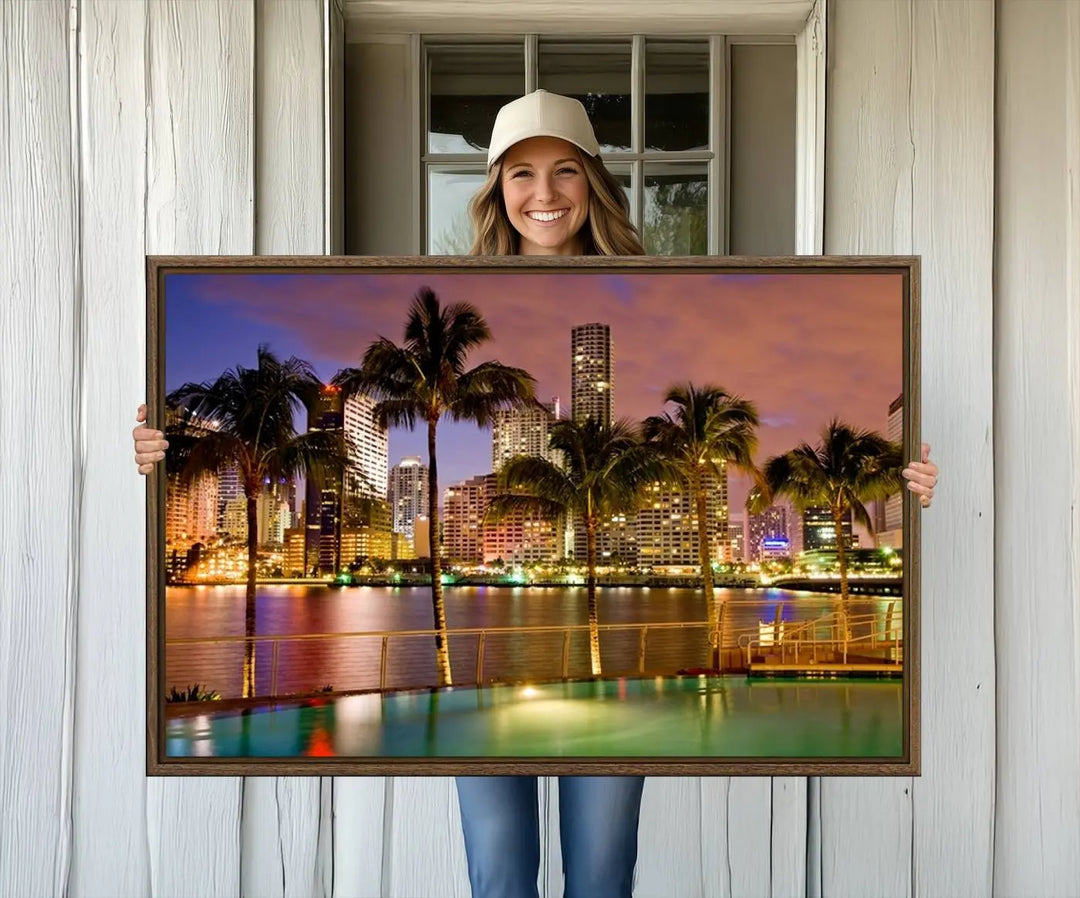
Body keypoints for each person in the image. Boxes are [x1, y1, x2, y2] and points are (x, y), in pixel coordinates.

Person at [132, 90, 940, 898]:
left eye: (564, 171)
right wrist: (161, 452)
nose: (544, 194)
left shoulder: (663, 289)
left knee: (601, 872)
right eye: (521, 173)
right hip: (491, 695)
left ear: (593, 181)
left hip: (598, 677)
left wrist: (904, 481)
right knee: (499, 873)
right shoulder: (450, 310)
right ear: (496, 188)